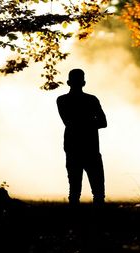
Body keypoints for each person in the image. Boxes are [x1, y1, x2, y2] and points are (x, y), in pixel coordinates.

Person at [57, 68, 107, 206]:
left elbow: (71, 122)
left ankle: (75, 218)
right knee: (97, 190)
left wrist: (80, 122)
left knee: (75, 189)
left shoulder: (62, 100)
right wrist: (90, 121)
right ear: (84, 82)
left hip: (74, 147)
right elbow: (102, 122)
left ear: (68, 82)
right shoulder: (91, 100)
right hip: (89, 148)